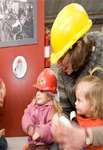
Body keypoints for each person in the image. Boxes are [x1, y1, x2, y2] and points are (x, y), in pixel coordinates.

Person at [50, 3, 103, 150]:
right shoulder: (63, 71)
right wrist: (61, 122)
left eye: (61, 58)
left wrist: (86, 135)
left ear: (78, 47)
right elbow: (65, 109)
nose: (59, 65)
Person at [21, 68, 62, 150]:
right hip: (33, 142)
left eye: (42, 91)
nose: (38, 94)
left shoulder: (51, 109)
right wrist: (29, 126)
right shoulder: (32, 105)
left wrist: (41, 131)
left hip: (45, 144)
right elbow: (26, 115)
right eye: (37, 90)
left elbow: (52, 126)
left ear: (50, 95)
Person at [74, 67, 103, 150]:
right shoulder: (78, 117)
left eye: (79, 100)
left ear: (93, 106)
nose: (75, 103)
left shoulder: (98, 126)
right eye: (76, 99)